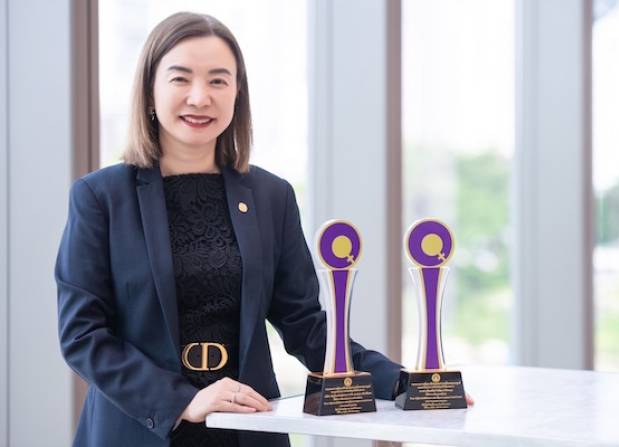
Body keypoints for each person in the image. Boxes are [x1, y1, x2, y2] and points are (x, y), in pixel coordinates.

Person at [56, 11, 409, 447]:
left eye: (218, 80)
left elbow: (306, 326)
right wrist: (184, 400)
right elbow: (83, 335)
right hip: (139, 430)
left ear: (237, 93)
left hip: (248, 429)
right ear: (149, 90)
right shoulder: (100, 197)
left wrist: (401, 382)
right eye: (180, 78)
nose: (200, 97)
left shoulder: (272, 196)